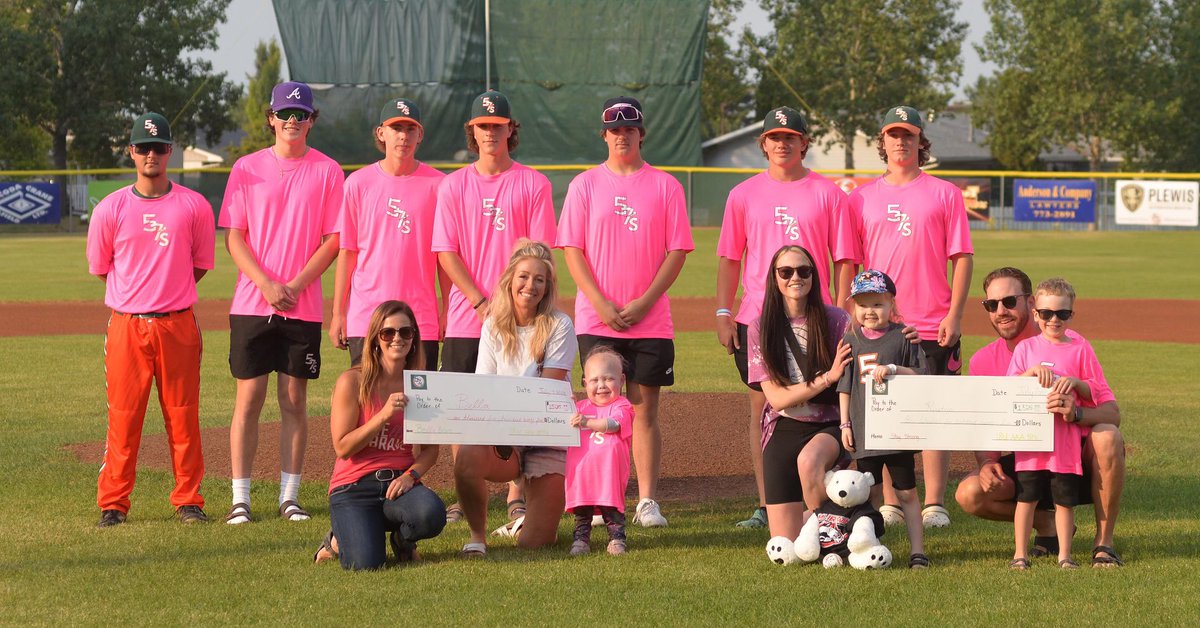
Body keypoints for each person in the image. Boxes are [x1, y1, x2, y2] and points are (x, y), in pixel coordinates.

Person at [716, 106, 859, 528]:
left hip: (818, 319)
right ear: (764, 144)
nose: (782, 143)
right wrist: (725, 311)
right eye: (774, 137)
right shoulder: (742, 194)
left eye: (790, 136)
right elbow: (729, 258)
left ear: (804, 143)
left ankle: (833, 496)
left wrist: (845, 311)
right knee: (763, 407)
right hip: (759, 317)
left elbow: (844, 259)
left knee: (829, 404)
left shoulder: (829, 193)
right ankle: (768, 504)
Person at [556, 96, 694, 528]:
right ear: (605, 134)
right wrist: (599, 301)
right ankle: (602, 499)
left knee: (644, 409)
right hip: (598, 318)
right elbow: (572, 250)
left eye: (629, 128)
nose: (622, 135)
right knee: (601, 408)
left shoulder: (666, 185)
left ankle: (647, 500)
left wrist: (645, 301)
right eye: (614, 129)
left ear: (641, 133)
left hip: (649, 318)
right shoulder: (584, 185)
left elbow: (677, 251)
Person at [219, 81, 344, 524]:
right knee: (248, 399)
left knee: (294, 399)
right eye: (285, 114)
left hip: (302, 305)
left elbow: (333, 239)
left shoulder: (328, 170)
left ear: (311, 121)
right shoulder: (247, 168)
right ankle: (241, 499)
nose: (293, 122)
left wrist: (294, 283)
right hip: (253, 303)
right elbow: (235, 236)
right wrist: (268, 283)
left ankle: (289, 496)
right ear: (271, 118)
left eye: (301, 115)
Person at [433, 90, 556, 525]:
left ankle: (514, 493)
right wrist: (482, 301)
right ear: (473, 131)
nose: (490, 132)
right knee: (462, 406)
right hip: (471, 318)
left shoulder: (533, 183)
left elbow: (539, 253)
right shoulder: (453, 185)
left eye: (497, 125)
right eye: (482, 126)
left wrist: (507, 304)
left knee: (517, 404)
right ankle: (467, 491)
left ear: (510, 130)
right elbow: (446, 251)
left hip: (522, 319)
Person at [847, 105, 974, 528]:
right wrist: (852, 314)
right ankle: (892, 501)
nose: (901, 141)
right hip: (879, 325)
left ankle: (934, 502)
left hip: (933, 320)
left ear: (922, 141)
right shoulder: (861, 197)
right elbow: (850, 261)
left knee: (934, 412)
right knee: (882, 411)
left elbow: (962, 258)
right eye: (892, 134)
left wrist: (955, 315)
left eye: (909, 134)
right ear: (881, 142)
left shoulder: (944, 193)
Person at [86, 112, 214, 527]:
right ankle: (114, 503)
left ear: (170, 151)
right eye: (144, 147)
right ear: (132, 152)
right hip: (127, 324)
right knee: (123, 417)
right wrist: (138, 296)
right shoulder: (110, 208)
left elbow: (199, 265)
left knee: (183, 414)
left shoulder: (194, 205)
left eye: (159, 147)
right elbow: (103, 267)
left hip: (177, 323)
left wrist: (168, 292)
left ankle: (188, 500)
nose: (151, 154)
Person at [957, 267, 1125, 568]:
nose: (1001, 311)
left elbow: (1113, 413)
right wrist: (987, 462)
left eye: (1009, 301)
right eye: (991, 304)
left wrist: (1076, 413)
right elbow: (986, 421)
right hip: (1030, 460)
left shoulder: (1075, 345)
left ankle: (1104, 544)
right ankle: (1047, 525)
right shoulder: (982, 359)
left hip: (1075, 461)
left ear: (1030, 303)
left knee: (1108, 435)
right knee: (970, 493)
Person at [453, 240, 579, 556]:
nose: (530, 286)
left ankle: (525, 523)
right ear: (510, 279)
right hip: (508, 437)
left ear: (548, 285)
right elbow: (485, 387)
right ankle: (477, 538)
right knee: (466, 456)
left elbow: (546, 393)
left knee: (534, 543)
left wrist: (504, 411)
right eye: (523, 276)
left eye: (540, 279)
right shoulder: (493, 324)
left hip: (546, 436)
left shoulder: (560, 324)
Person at [314, 300, 446, 570]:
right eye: (388, 333)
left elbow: (431, 450)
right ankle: (338, 539)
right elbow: (343, 447)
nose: (397, 338)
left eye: (405, 332)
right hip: (353, 487)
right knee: (366, 564)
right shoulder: (352, 382)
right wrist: (383, 415)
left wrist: (412, 476)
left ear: (413, 338)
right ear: (375, 340)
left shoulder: (419, 384)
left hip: (398, 484)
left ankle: (403, 539)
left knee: (431, 514)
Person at [746, 245, 852, 541]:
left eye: (804, 271)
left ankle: (835, 535)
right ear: (774, 278)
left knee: (809, 461)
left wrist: (903, 337)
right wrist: (827, 377)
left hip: (830, 422)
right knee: (785, 542)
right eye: (786, 272)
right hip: (784, 423)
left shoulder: (837, 320)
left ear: (814, 277)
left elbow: (871, 343)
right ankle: (847, 514)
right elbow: (777, 399)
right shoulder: (760, 328)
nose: (796, 277)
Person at [1006, 278, 1115, 570]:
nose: (1054, 320)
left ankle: (1065, 555)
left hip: (1065, 445)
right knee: (1026, 498)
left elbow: (1098, 390)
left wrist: (1077, 384)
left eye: (1062, 314)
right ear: (1035, 312)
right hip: (1030, 442)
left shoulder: (1080, 348)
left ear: (1071, 315)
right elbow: (1006, 389)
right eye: (1046, 313)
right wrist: (1029, 374)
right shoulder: (1026, 349)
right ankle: (1020, 555)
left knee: (1065, 501)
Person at [330, 97, 446, 369]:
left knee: (420, 405)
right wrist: (338, 314)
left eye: (409, 129)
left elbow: (445, 257)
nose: (403, 136)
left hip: (421, 317)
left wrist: (447, 311)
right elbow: (347, 253)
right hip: (367, 316)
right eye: (396, 128)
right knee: (368, 402)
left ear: (420, 135)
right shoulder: (358, 183)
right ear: (381, 133)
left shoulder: (440, 185)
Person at [836, 270, 928, 568]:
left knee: (907, 493)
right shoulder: (851, 339)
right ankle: (870, 550)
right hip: (865, 431)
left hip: (897, 431)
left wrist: (893, 369)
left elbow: (922, 375)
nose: (870, 311)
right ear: (853, 308)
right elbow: (845, 386)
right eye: (862, 305)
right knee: (871, 494)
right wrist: (845, 424)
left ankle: (918, 551)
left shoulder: (902, 336)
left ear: (891, 304)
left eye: (877, 303)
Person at [565, 346, 635, 556]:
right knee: (582, 510)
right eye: (594, 380)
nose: (601, 385)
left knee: (611, 508)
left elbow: (613, 425)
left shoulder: (622, 406)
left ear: (621, 380)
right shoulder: (579, 408)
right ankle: (580, 539)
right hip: (581, 472)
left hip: (609, 473)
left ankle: (616, 538)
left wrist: (588, 422)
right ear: (585, 383)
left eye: (608, 379)